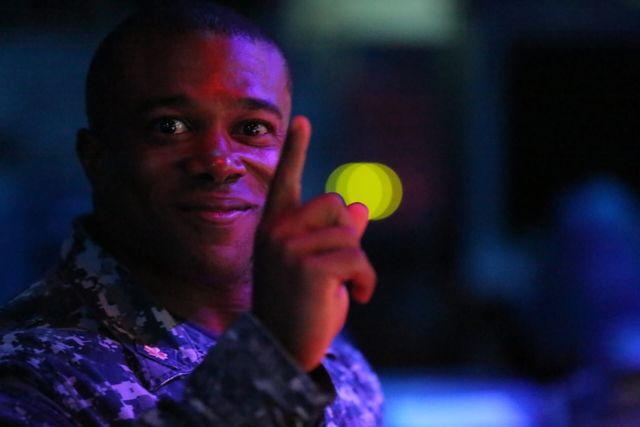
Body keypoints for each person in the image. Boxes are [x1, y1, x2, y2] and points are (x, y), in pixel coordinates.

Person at [0, 1, 382, 425]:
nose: (219, 162)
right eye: (170, 126)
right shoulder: (33, 374)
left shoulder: (327, 347)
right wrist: (272, 365)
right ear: (97, 160)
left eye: (252, 129)